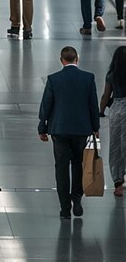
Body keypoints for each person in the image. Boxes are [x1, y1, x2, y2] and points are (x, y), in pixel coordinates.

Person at [38, 46, 100, 219]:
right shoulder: (88, 78)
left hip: (59, 130)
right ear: (77, 59)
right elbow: (93, 106)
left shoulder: (53, 79)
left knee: (61, 168)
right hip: (82, 130)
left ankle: (65, 209)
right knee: (80, 164)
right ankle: (77, 197)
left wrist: (42, 128)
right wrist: (96, 128)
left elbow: (46, 106)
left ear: (61, 60)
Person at [100, 46, 126, 196]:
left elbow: (106, 95)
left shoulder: (112, 74)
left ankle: (118, 184)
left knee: (117, 147)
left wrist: (101, 111)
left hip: (118, 110)